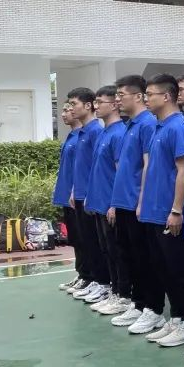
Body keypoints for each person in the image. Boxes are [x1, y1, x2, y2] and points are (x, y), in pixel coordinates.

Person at [135, 73, 184, 344]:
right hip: (153, 211)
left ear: (167, 96)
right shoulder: (158, 127)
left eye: (150, 94)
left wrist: (176, 210)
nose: (146, 99)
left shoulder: (178, 128)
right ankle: (177, 317)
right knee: (162, 268)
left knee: (178, 269)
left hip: (168, 212)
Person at [107, 75, 159, 329]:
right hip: (123, 202)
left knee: (143, 259)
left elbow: (148, 165)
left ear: (138, 96)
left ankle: (150, 308)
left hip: (136, 204)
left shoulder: (148, 123)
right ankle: (137, 304)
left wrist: (141, 200)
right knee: (128, 256)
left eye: (121, 95)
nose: (117, 100)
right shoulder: (130, 125)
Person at [85, 86, 131, 315]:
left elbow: (120, 171)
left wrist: (114, 203)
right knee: (106, 249)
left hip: (111, 204)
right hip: (99, 202)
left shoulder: (119, 133)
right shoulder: (104, 132)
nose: (96, 106)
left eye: (100, 102)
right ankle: (114, 291)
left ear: (114, 105)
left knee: (117, 251)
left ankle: (124, 294)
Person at [67, 87, 111, 303]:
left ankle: (103, 282)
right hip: (81, 194)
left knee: (96, 242)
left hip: (91, 196)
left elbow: (97, 167)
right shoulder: (83, 132)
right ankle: (93, 279)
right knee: (86, 240)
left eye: (73, 104)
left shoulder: (95, 131)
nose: (70, 109)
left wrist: (90, 193)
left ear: (87, 105)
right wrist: (74, 189)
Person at [55, 105, 84, 292]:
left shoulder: (83, 136)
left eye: (68, 109)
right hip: (67, 196)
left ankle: (89, 276)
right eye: (64, 110)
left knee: (84, 239)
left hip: (77, 196)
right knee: (75, 238)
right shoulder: (72, 136)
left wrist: (74, 190)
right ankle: (82, 274)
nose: (64, 114)